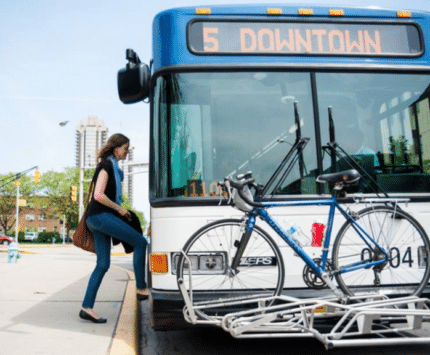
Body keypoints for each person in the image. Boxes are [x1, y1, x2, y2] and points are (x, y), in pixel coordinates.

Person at [79, 133, 148, 324]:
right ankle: (141, 288)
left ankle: (86, 308)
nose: (126, 152)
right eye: (125, 148)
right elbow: (99, 195)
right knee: (141, 242)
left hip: (97, 218)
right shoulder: (106, 166)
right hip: (100, 216)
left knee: (102, 264)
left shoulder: (115, 169)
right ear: (116, 147)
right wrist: (119, 209)